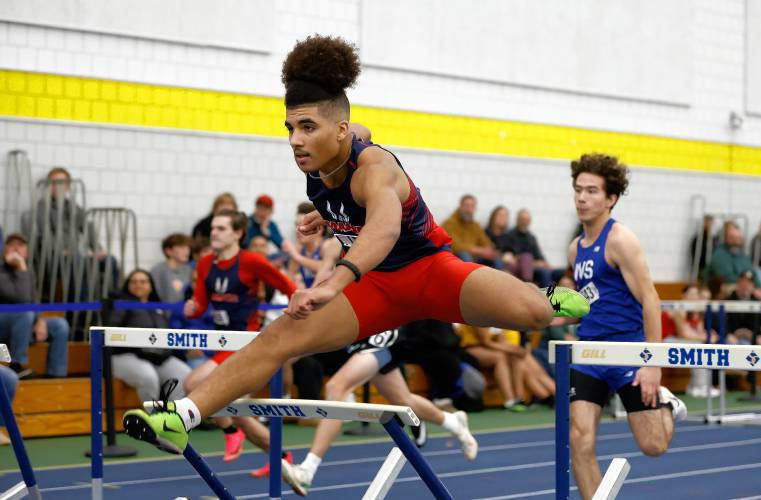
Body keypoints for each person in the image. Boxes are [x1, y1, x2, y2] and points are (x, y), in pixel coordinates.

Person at [123, 34, 587, 458]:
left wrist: (335, 280)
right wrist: (324, 215)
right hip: (378, 289)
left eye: (307, 127)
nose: (295, 141)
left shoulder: (376, 167)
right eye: (289, 128)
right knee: (279, 337)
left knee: (534, 315)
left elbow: (382, 230)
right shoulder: (318, 156)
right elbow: (351, 173)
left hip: (429, 270)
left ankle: (546, 295)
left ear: (340, 130)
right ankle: (181, 416)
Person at [565, 153, 686, 500]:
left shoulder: (621, 240)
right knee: (579, 438)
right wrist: (540, 308)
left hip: (629, 352)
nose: (582, 198)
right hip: (588, 352)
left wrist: (652, 363)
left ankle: (665, 404)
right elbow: (582, 305)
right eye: (578, 190)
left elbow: (650, 300)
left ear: (611, 198)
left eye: (591, 191)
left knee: (653, 445)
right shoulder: (575, 250)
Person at [281, 330, 478, 496]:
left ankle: (308, 469)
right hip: (361, 339)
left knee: (336, 388)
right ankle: (453, 422)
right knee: (403, 400)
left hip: (379, 338)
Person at [180, 210, 297, 472]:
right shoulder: (205, 263)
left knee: (193, 384)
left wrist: (295, 312)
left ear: (237, 233)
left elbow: (288, 286)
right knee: (234, 408)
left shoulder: (251, 261)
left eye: (221, 228)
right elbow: (200, 305)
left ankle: (231, 431)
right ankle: (281, 458)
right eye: (213, 228)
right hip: (223, 344)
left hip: (246, 343)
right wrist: (192, 308)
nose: (214, 233)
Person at [105, 269, 191, 402]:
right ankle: (153, 419)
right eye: (133, 281)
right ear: (127, 285)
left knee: (184, 375)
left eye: (143, 281)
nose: (138, 284)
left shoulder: (158, 307)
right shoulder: (119, 303)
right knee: (148, 377)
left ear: (151, 286)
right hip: (125, 355)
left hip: (157, 356)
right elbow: (111, 330)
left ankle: (173, 418)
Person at [0, 233, 70, 378]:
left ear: (26, 252)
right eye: (12, 244)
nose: (16, 248)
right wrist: (21, 268)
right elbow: (21, 298)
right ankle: (17, 365)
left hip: (23, 325)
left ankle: (56, 375)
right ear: (4, 249)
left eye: (20, 245)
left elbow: (34, 300)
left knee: (60, 325)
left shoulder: (28, 272)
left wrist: (40, 320)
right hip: (4, 325)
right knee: (25, 314)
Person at [442, 194, 500, 268]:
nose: (469, 210)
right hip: (455, 257)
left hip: (474, 257)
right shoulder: (450, 223)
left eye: (471, 206)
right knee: (464, 255)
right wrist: (479, 250)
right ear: (460, 207)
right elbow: (455, 245)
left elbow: (484, 241)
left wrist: (489, 249)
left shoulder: (475, 225)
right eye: (466, 206)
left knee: (496, 258)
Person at [707, 222, 761, 290]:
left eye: (738, 238)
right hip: (728, 289)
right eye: (732, 237)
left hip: (747, 289)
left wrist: (758, 288)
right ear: (725, 238)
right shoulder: (719, 255)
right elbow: (727, 277)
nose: (736, 241)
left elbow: (753, 274)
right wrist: (748, 286)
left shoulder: (743, 255)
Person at [151, 233, 193, 303]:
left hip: (184, 312)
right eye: (182, 247)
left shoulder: (190, 270)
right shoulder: (157, 270)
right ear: (168, 251)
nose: (187, 251)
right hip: (163, 310)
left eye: (188, 247)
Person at [484, 205, 516, 269]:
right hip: (488, 263)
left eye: (505, 216)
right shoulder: (485, 233)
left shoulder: (509, 237)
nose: (503, 218)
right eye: (500, 215)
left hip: (506, 264)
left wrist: (510, 255)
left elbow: (512, 253)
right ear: (493, 217)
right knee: (498, 260)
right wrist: (502, 256)